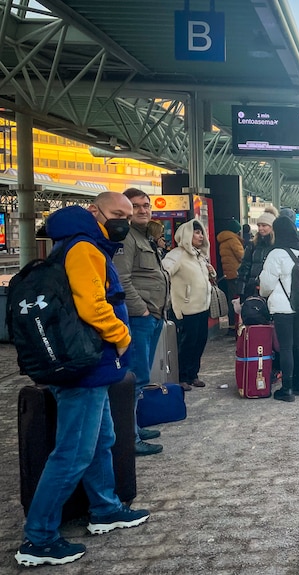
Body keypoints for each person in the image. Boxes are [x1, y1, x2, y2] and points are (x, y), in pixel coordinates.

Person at [15, 192, 150, 567]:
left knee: (102, 439)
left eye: (128, 214)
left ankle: (104, 508)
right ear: (95, 212)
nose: (124, 220)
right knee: (72, 453)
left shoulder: (73, 246)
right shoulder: (84, 249)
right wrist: (122, 337)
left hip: (89, 363)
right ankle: (38, 538)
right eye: (117, 214)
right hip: (86, 366)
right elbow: (94, 305)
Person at [113, 188, 169, 457]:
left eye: (146, 205)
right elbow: (122, 280)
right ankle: (129, 437)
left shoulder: (143, 237)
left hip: (153, 316)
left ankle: (134, 426)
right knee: (135, 378)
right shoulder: (127, 239)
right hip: (139, 318)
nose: (144, 210)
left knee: (141, 375)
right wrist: (142, 311)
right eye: (136, 206)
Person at [259, 216, 299, 402]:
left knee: (286, 347)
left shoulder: (277, 254)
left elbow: (266, 284)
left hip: (283, 308)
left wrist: (265, 295)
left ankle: (287, 389)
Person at [162, 219, 215, 390]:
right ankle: (182, 376)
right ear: (186, 234)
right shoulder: (176, 254)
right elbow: (163, 273)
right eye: (196, 232)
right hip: (185, 309)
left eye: (201, 232)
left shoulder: (199, 255)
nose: (200, 236)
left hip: (202, 307)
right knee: (186, 344)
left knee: (199, 342)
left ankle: (193, 374)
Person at [238, 206, 278, 301]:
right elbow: (245, 267)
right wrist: (241, 291)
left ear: (272, 227)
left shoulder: (277, 245)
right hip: (253, 289)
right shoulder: (253, 244)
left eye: (264, 225)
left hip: (272, 291)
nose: (260, 228)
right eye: (259, 225)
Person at [216, 219, 245, 333]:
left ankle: (232, 324)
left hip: (228, 273)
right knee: (236, 300)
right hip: (236, 273)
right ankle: (235, 325)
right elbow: (241, 256)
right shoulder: (233, 239)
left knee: (231, 299)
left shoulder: (223, 240)